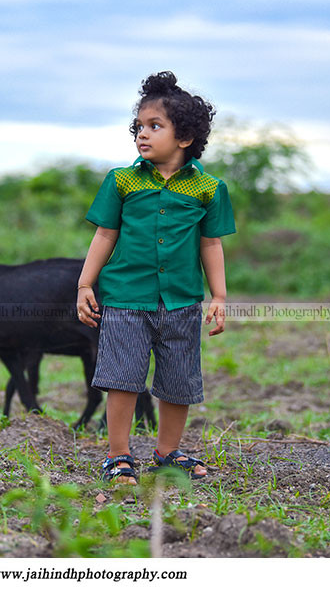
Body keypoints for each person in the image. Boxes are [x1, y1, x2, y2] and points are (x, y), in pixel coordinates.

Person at [76, 71, 235, 485]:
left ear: (184, 138)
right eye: (139, 128)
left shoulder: (209, 188)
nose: (142, 136)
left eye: (154, 127)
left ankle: (167, 453)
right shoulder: (122, 181)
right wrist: (84, 284)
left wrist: (218, 296)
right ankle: (118, 455)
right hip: (127, 298)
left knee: (178, 381)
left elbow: (211, 245)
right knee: (123, 377)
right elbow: (104, 234)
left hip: (182, 301)